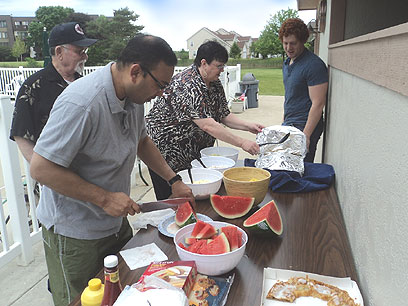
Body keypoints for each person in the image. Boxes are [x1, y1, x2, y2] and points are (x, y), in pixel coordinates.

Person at [30, 34, 194, 306]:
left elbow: (142, 141)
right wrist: (105, 198)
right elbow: (40, 168)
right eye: (161, 84)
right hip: (75, 233)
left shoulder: (133, 98)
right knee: (82, 301)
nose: (161, 93)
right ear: (135, 71)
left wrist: (172, 179)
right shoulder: (82, 103)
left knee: (125, 294)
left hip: (115, 223)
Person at [145, 40, 264, 200]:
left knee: (195, 198)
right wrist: (243, 143)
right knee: (173, 201)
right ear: (204, 63)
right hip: (164, 154)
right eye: (219, 66)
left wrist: (248, 126)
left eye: (223, 66)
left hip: (190, 154)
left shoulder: (214, 82)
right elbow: (208, 125)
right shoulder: (187, 85)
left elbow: (223, 115)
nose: (222, 70)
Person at [9, 22, 97, 162]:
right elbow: (21, 134)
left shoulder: (85, 84)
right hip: (55, 172)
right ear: (59, 52)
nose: (85, 57)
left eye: (85, 52)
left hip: (89, 171)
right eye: (80, 51)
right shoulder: (33, 86)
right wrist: (43, 172)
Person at [279, 18, 328, 162]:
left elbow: (318, 103)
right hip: (290, 123)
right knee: (285, 166)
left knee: (301, 169)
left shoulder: (313, 65)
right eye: (285, 43)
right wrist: (284, 121)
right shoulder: (287, 62)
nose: (288, 47)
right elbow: (291, 96)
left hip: (305, 126)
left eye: (293, 43)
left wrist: (305, 136)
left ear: (303, 41)